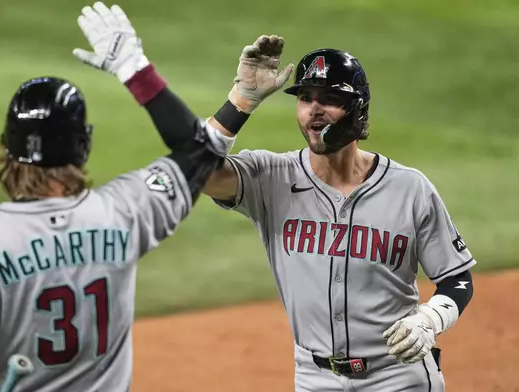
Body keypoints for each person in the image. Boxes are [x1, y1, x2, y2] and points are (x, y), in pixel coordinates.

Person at [0, 2, 240, 391]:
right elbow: (200, 150)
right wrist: (135, 70)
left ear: (7, 148)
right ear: (83, 147)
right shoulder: (125, 211)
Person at [200, 43, 474, 390]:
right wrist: (241, 100)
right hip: (315, 378)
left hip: (397, 376)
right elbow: (199, 172)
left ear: (357, 109)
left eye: (328, 98)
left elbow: (458, 278)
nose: (314, 110)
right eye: (305, 98)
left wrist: (430, 319)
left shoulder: (409, 189)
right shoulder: (271, 178)